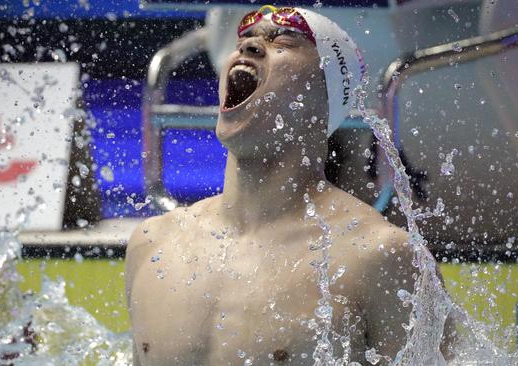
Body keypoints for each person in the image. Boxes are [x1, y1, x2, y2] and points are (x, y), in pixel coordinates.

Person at [126, 6, 454, 365]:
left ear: (327, 95)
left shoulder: (379, 256)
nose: (248, 47)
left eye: (281, 41)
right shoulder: (153, 244)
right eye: (245, 40)